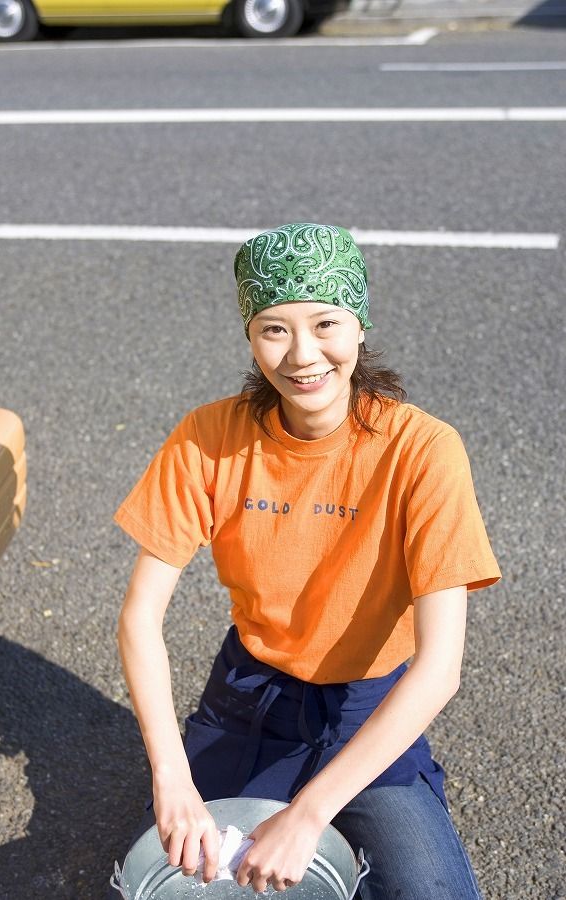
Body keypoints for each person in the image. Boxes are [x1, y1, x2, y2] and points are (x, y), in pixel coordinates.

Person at [113, 222, 501, 899]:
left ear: (358, 326)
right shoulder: (209, 437)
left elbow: (439, 669)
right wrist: (169, 776)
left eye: (325, 322)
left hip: (367, 702)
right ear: (250, 336)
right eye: (274, 329)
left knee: (432, 891)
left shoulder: (423, 452)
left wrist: (310, 812)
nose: (302, 355)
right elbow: (140, 616)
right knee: (176, 875)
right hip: (249, 696)